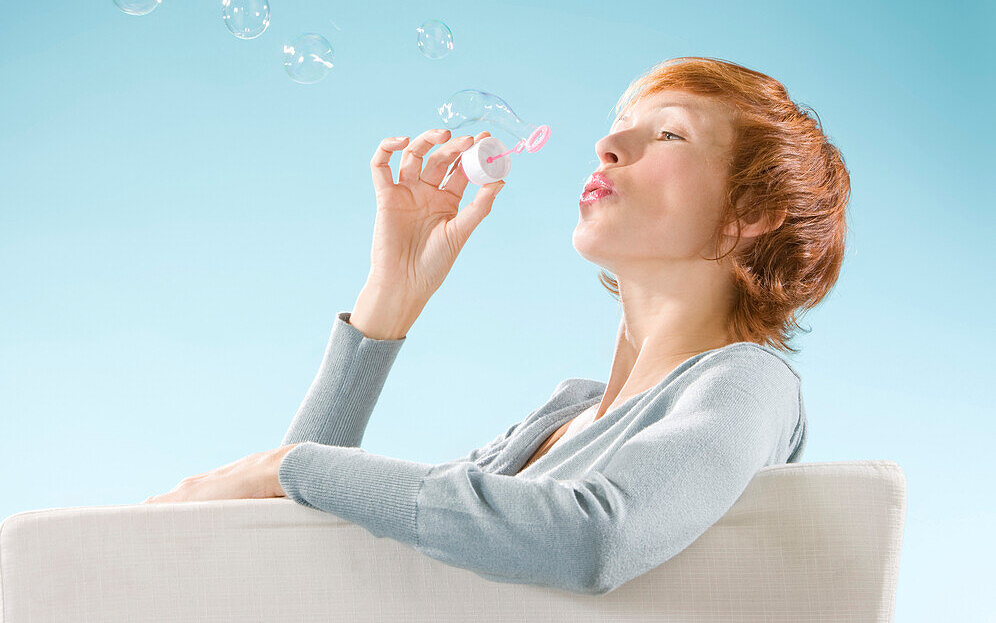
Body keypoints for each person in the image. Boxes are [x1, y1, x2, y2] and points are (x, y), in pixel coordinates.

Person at [281, 57, 850, 595]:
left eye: (669, 134)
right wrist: (391, 296)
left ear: (750, 210)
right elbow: (280, 528)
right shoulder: (561, 415)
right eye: (619, 127)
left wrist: (292, 466)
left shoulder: (749, 382)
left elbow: (596, 537)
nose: (606, 147)